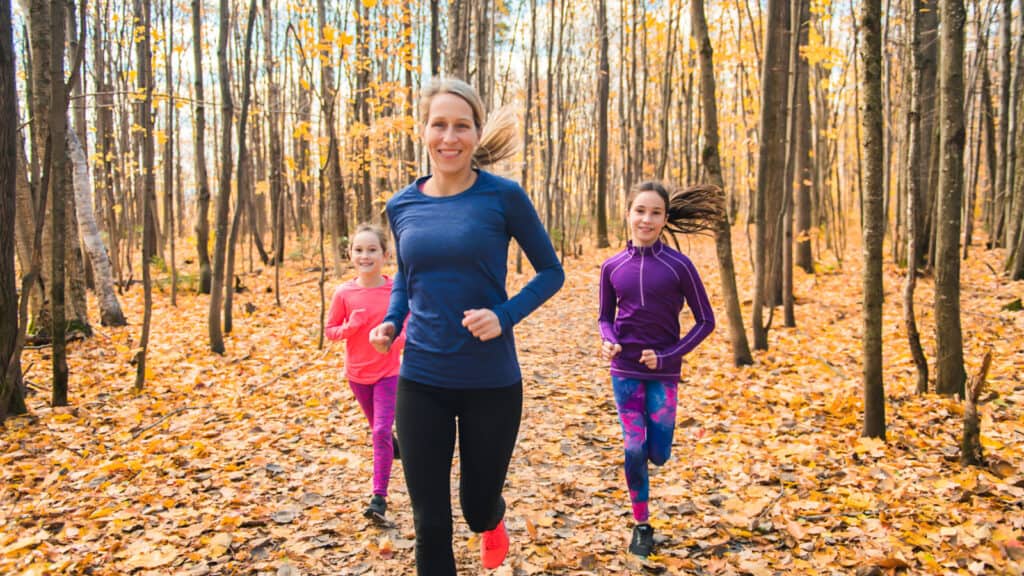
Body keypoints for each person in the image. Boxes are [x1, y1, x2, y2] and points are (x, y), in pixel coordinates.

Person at [369, 77, 564, 574]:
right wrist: (393, 321)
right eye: (439, 125)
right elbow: (408, 280)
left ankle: (491, 520)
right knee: (430, 524)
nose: (449, 137)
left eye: (461, 126)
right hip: (421, 380)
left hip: (491, 383)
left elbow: (552, 271)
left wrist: (503, 316)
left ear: (477, 134)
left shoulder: (503, 197)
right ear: (423, 130)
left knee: (476, 507)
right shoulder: (401, 205)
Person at [598, 181, 721, 557]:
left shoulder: (679, 266)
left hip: (664, 373)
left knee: (659, 452)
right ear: (628, 213)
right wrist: (608, 339)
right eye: (640, 211)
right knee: (633, 448)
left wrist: (669, 356)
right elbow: (605, 316)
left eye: (655, 213)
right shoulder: (612, 266)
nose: (646, 219)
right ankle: (642, 524)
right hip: (625, 370)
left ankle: (655, 458)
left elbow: (706, 321)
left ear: (665, 218)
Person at [325, 224, 405, 522]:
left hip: (388, 372)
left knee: (380, 430)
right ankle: (393, 446)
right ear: (350, 254)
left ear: (385, 255)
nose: (365, 255)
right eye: (359, 250)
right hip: (357, 375)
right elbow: (330, 331)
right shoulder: (343, 293)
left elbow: (408, 326)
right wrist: (351, 327)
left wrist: (392, 341)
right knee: (380, 431)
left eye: (372, 250)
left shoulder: (395, 289)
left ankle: (378, 498)